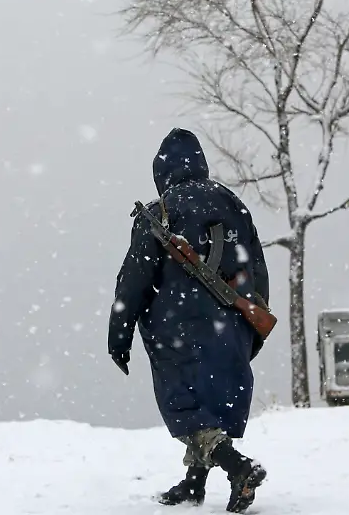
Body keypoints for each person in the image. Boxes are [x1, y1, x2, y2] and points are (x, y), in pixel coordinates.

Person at [107, 127, 271, 513]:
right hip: (231, 325)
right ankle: (194, 484)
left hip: (178, 331)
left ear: (161, 172)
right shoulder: (233, 204)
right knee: (214, 402)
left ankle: (238, 467)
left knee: (185, 404)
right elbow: (257, 269)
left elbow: (134, 280)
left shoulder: (160, 211)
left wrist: (119, 334)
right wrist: (253, 327)